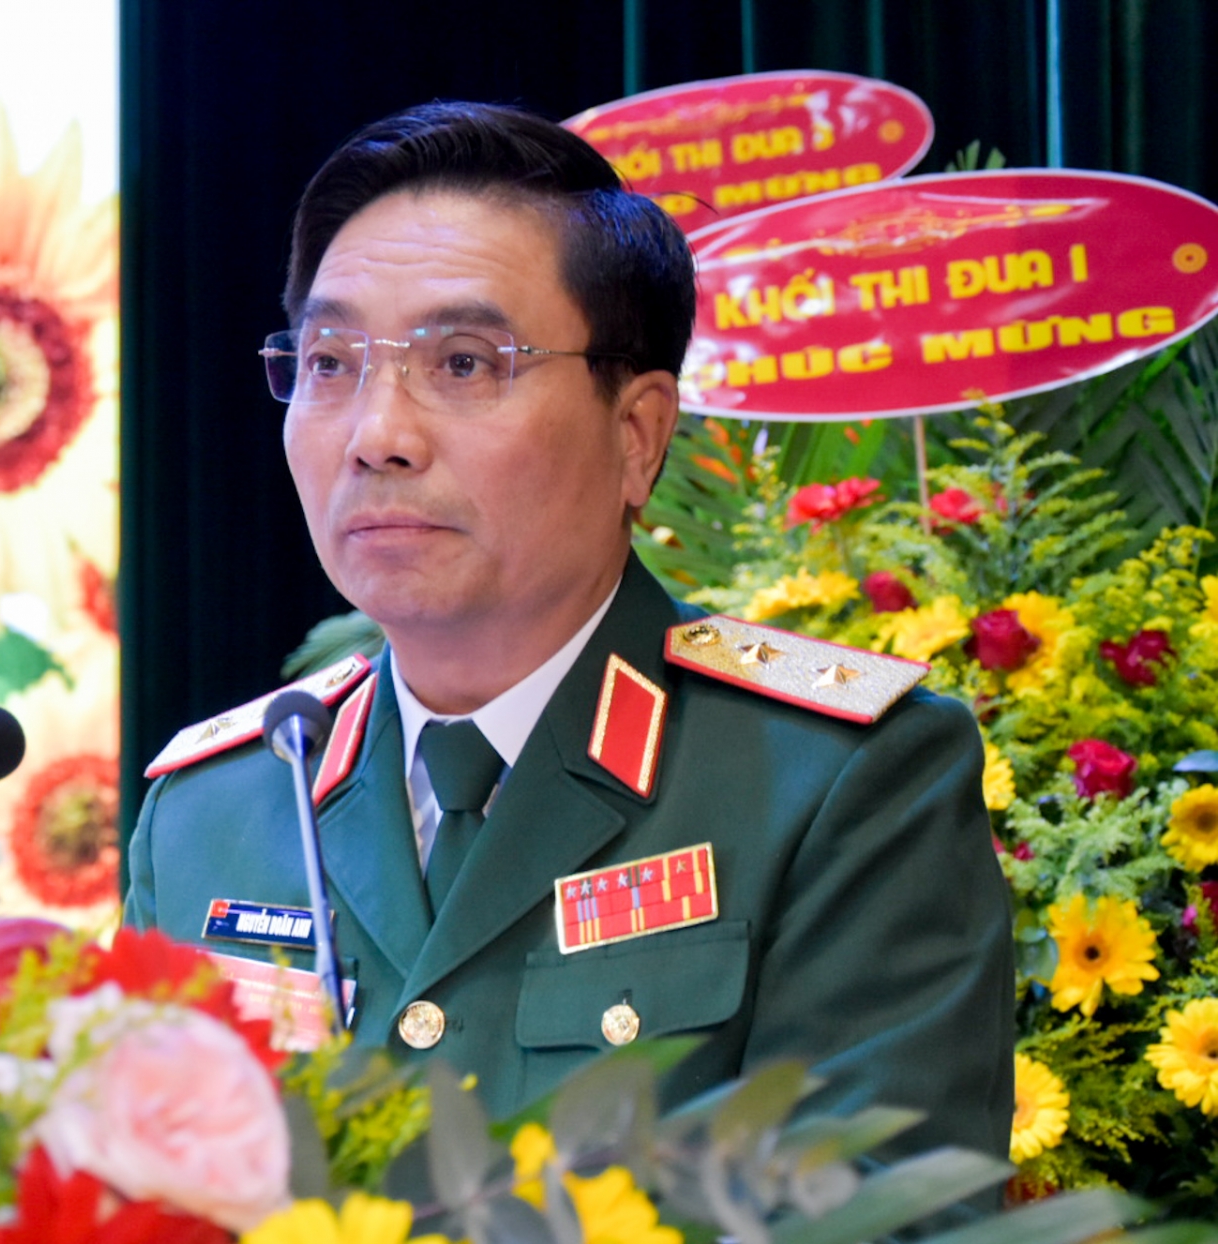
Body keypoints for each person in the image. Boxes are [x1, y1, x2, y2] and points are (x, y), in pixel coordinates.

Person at [122, 101, 1014, 1158]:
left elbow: (877, 1210)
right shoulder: (215, 810)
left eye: (463, 363)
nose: (377, 434)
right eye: (329, 362)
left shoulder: (837, 781)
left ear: (636, 434)